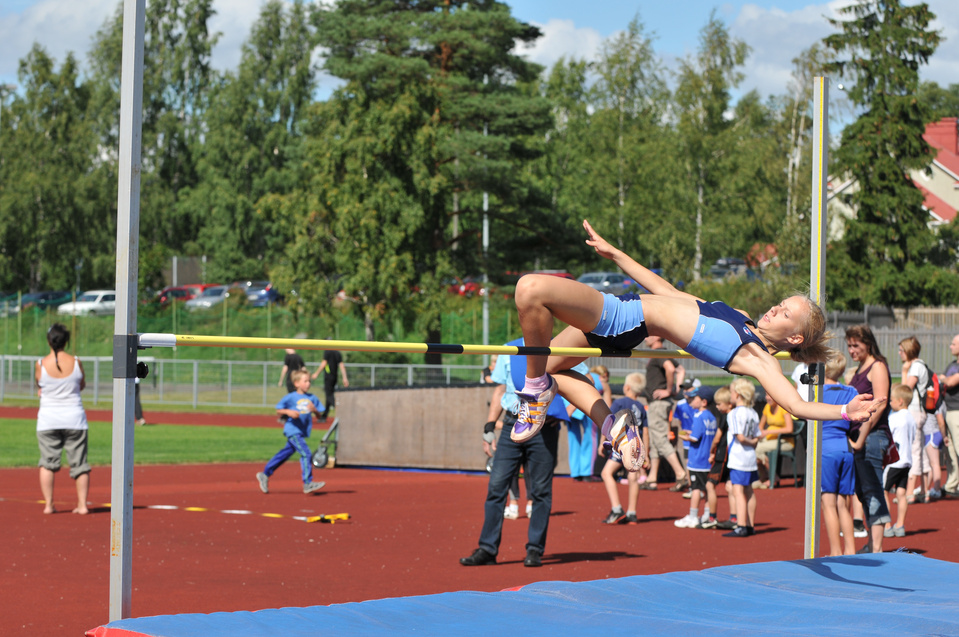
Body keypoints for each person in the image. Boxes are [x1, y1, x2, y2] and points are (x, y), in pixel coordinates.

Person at [509, 220, 883, 473]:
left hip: (623, 319)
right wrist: (617, 255)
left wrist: (843, 411)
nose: (775, 308)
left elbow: (796, 406)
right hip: (627, 307)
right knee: (551, 368)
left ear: (795, 338)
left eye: (785, 313)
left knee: (530, 290)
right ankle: (614, 427)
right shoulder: (740, 317)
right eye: (781, 303)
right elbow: (669, 293)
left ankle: (534, 392)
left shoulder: (758, 359)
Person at [460, 338, 574, 568]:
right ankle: (487, 549)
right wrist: (489, 426)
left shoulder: (561, 344)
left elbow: (585, 381)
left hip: (543, 427)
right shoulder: (509, 349)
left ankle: (534, 550)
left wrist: (563, 413)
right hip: (512, 423)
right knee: (496, 486)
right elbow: (501, 389)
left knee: (540, 490)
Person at [845, 324, 892, 554]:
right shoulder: (859, 369)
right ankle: (872, 543)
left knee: (872, 488)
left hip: (872, 435)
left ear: (868, 343)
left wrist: (862, 437)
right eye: (849, 346)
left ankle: (876, 547)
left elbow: (879, 404)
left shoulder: (877, 366)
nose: (851, 350)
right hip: (859, 436)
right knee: (862, 490)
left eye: (856, 345)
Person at [35, 323, 91, 515]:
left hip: (48, 420)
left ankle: (49, 505)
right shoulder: (76, 362)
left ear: (49, 341)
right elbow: (81, 384)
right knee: (80, 464)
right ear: (66, 341)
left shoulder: (40, 364)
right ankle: (82, 505)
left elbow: (39, 385)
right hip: (75, 418)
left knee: (47, 463)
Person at [257, 369, 326, 495]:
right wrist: (288, 412)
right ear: (296, 383)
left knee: (284, 454)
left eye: (309, 381)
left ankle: (265, 474)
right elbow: (278, 410)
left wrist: (315, 410)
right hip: (292, 430)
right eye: (305, 381)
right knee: (306, 453)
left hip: (301, 431)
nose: (308, 383)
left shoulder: (312, 398)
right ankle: (307, 483)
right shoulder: (291, 397)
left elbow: (320, 416)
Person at [820, 352, 859, 556]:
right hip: (845, 447)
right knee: (843, 504)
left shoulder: (817, 392)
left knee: (828, 504)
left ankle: (836, 551)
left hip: (826, 449)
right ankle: (850, 550)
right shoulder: (851, 391)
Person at [637, 335, 688, 491]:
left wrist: (669, 390)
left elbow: (671, 369)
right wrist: (677, 388)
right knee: (655, 441)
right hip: (658, 404)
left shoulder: (658, 353)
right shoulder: (664, 353)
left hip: (658, 404)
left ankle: (680, 474)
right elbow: (680, 370)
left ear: (657, 338)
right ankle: (652, 478)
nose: (645, 338)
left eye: (649, 335)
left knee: (660, 440)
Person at [599, 373, 649, 524]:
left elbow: (609, 423)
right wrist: (646, 453)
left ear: (627, 387)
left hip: (622, 445)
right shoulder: (641, 407)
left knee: (606, 473)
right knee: (633, 477)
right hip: (636, 446)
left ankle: (616, 509)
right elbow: (645, 431)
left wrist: (602, 442)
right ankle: (632, 513)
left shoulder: (619, 403)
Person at [898, 336, 941, 502]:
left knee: (914, 450)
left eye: (901, 350)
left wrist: (904, 372)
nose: (899, 353)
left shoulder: (915, 366)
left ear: (908, 351)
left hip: (915, 411)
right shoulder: (920, 365)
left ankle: (909, 492)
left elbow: (905, 390)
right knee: (921, 450)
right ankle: (923, 490)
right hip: (920, 412)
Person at [674, 386, 717, 529]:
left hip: (697, 460)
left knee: (696, 489)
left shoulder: (699, 416)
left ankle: (693, 516)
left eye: (694, 398)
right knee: (707, 489)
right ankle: (706, 515)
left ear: (703, 402)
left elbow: (694, 438)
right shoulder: (712, 417)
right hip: (707, 460)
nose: (691, 401)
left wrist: (685, 436)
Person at [722, 378, 761, 537]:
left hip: (738, 457)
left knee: (738, 491)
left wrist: (749, 442)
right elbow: (757, 436)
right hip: (750, 457)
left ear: (737, 394)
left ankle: (741, 525)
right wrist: (753, 443)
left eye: (732, 392)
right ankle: (750, 525)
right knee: (749, 490)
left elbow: (740, 437)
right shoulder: (753, 413)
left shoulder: (734, 413)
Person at [883, 383, 917, 539]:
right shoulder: (911, 418)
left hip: (894, 462)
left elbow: (887, 435)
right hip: (907, 461)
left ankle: (887, 525)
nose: (890, 403)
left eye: (892, 400)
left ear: (900, 401)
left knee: (883, 491)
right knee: (901, 493)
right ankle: (900, 525)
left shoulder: (894, 418)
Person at [565, 367, 605, 482]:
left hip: (569, 403)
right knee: (590, 436)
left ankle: (576, 472)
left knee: (573, 437)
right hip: (583, 403)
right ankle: (586, 472)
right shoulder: (599, 379)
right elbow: (591, 381)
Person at [706, 386, 734, 529]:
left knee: (710, 485)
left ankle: (712, 517)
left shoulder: (726, 417)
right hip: (732, 455)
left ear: (729, 404)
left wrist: (711, 450)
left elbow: (717, 437)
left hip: (722, 455)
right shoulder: (736, 415)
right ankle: (734, 518)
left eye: (719, 404)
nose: (717, 407)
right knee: (730, 486)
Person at [755, 393, 794, 488]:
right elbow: (761, 426)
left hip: (785, 441)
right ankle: (764, 476)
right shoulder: (767, 407)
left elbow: (789, 429)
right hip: (769, 440)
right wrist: (758, 434)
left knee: (759, 448)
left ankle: (773, 476)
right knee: (753, 447)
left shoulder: (783, 408)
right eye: (766, 395)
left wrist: (768, 432)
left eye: (770, 396)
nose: (767, 398)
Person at [940, 334, 959, 496]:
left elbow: (951, 382)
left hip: (957, 411)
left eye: (953, 344)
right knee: (950, 451)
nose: (950, 346)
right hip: (949, 410)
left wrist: (944, 378)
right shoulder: (952, 364)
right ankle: (952, 484)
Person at [313, 343, 349, 420]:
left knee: (329, 395)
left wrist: (316, 373)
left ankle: (340, 409)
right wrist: (344, 378)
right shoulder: (337, 352)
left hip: (328, 377)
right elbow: (342, 366)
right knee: (328, 395)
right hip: (334, 377)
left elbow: (323, 364)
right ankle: (324, 416)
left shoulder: (327, 351)